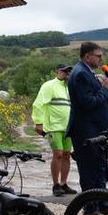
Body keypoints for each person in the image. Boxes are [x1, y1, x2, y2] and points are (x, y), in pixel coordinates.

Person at [66, 41, 108, 215]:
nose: (101, 58)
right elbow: (88, 103)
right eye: (98, 55)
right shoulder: (80, 74)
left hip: (97, 128)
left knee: (99, 168)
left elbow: (97, 101)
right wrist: (105, 89)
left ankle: (103, 205)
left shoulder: (88, 72)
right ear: (87, 56)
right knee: (89, 169)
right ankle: (90, 208)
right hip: (85, 130)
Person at [31, 63, 77, 196]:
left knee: (67, 155)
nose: (66, 74)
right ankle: (56, 184)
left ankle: (64, 183)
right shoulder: (49, 85)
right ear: (57, 71)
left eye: (69, 72)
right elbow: (38, 103)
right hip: (53, 127)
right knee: (58, 154)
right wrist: (38, 123)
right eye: (64, 71)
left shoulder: (71, 88)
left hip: (68, 127)